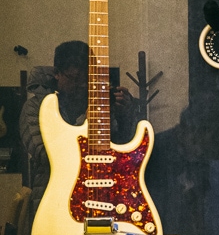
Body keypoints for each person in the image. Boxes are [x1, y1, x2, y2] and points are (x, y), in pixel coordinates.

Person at [19, 40, 140, 216]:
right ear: (57, 74)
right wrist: (87, 121)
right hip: (55, 200)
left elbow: (123, 152)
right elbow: (45, 154)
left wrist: (125, 115)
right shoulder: (35, 108)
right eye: (74, 78)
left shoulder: (99, 102)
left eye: (88, 79)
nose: (82, 85)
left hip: (102, 195)